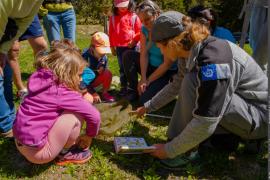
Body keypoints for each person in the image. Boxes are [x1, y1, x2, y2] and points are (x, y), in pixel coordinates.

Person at [135, 11, 268, 167]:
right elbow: (175, 85)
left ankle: (187, 151)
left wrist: (169, 150)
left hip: (260, 117)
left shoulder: (213, 61)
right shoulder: (189, 52)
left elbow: (206, 120)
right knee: (189, 81)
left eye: (160, 47)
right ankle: (223, 137)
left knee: (191, 81)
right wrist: (148, 106)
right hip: (243, 110)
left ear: (172, 42)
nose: (162, 52)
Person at [13, 40, 101, 165]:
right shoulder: (62, 92)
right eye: (79, 75)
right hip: (39, 154)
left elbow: (56, 100)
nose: (81, 79)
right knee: (74, 117)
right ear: (67, 74)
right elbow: (95, 116)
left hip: (20, 142)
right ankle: (65, 153)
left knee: (79, 103)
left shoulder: (41, 77)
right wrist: (89, 135)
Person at [0, 0, 44, 137]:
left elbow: (24, 22)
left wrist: (2, 49)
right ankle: (5, 125)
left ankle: (9, 116)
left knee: (5, 68)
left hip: (8, 24)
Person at [122, 0, 178, 104]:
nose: (144, 23)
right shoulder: (144, 29)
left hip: (165, 72)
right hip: (150, 67)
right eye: (141, 20)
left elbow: (167, 64)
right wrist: (143, 78)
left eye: (147, 19)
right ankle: (133, 89)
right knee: (128, 55)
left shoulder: (166, 30)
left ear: (156, 14)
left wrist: (147, 81)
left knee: (144, 100)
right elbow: (144, 54)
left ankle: (165, 88)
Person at [8, 15, 47, 99]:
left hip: (28, 11)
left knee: (41, 45)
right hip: (9, 13)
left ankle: (44, 83)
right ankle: (21, 89)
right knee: (13, 50)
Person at [109, 0, 141, 96]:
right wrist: (112, 47)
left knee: (131, 68)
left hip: (132, 47)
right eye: (120, 6)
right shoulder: (113, 18)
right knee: (122, 68)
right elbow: (111, 33)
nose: (122, 7)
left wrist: (134, 40)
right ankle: (124, 87)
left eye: (124, 5)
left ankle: (133, 87)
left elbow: (140, 31)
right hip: (119, 48)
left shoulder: (134, 16)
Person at [81, 32, 115, 103]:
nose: (103, 54)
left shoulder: (104, 57)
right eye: (101, 52)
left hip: (95, 81)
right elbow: (81, 80)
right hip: (83, 83)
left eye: (105, 52)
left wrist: (101, 70)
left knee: (107, 73)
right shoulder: (84, 57)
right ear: (92, 48)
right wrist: (93, 92)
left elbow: (104, 73)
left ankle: (104, 93)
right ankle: (89, 93)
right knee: (89, 100)